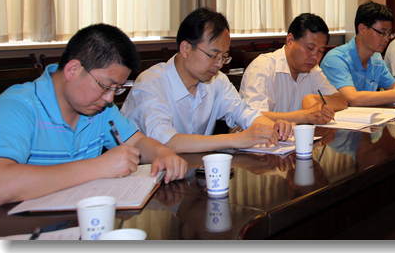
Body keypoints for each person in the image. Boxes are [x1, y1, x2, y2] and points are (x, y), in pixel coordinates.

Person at [0, 24, 188, 207]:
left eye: (117, 89)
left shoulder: (101, 109)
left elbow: (137, 142)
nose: (110, 98)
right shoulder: (17, 106)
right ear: (73, 70)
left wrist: (163, 153)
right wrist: (98, 167)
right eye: (105, 86)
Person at [120, 8, 293, 154]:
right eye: (213, 55)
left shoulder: (217, 80)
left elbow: (244, 113)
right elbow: (166, 142)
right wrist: (236, 139)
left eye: (224, 57)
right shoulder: (151, 84)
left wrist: (270, 128)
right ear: (185, 48)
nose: (219, 64)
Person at [240, 13, 348, 124]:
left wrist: (314, 98)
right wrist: (304, 116)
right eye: (310, 48)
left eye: (320, 51)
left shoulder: (313, 70)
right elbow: (254, 117)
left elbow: (341, 101)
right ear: (290, 40)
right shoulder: (263, 67)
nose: (315, 57)